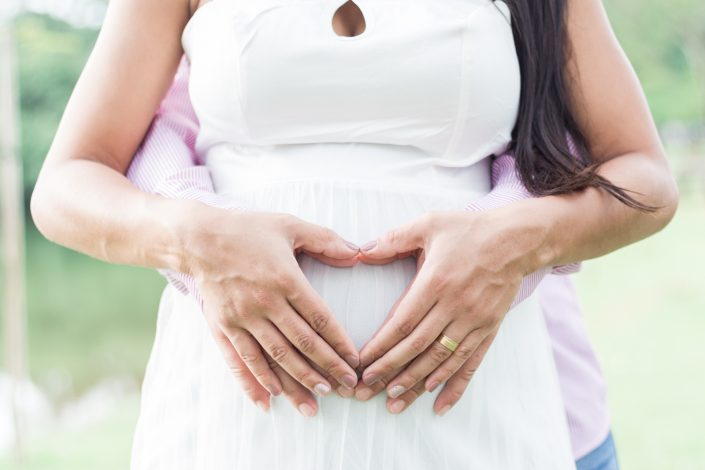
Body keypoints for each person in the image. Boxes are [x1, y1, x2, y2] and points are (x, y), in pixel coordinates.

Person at [29, 0, 679, 468]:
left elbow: (643, 177)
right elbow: (67, 184)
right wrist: (193, 238)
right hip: (234, 416)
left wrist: (517, 241)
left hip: (476, 401)